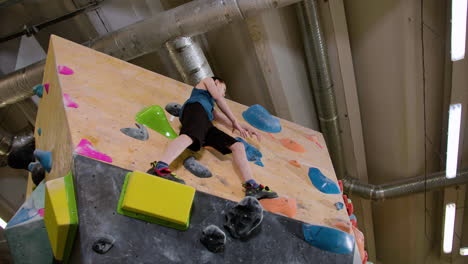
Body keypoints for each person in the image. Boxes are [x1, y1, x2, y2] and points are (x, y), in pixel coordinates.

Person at [147, 76, 278, 200]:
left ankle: (251, 186)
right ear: (217, 83)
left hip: (206, 124)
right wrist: (235, 121)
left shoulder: (210, 108)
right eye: (224, 89)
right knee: (189, 136)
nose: (224, 94)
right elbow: (219, 98)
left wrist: (246, 128)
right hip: (195, 110)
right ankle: (160, 167)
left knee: (238, 146)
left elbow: (226, 121)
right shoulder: (206, 81)